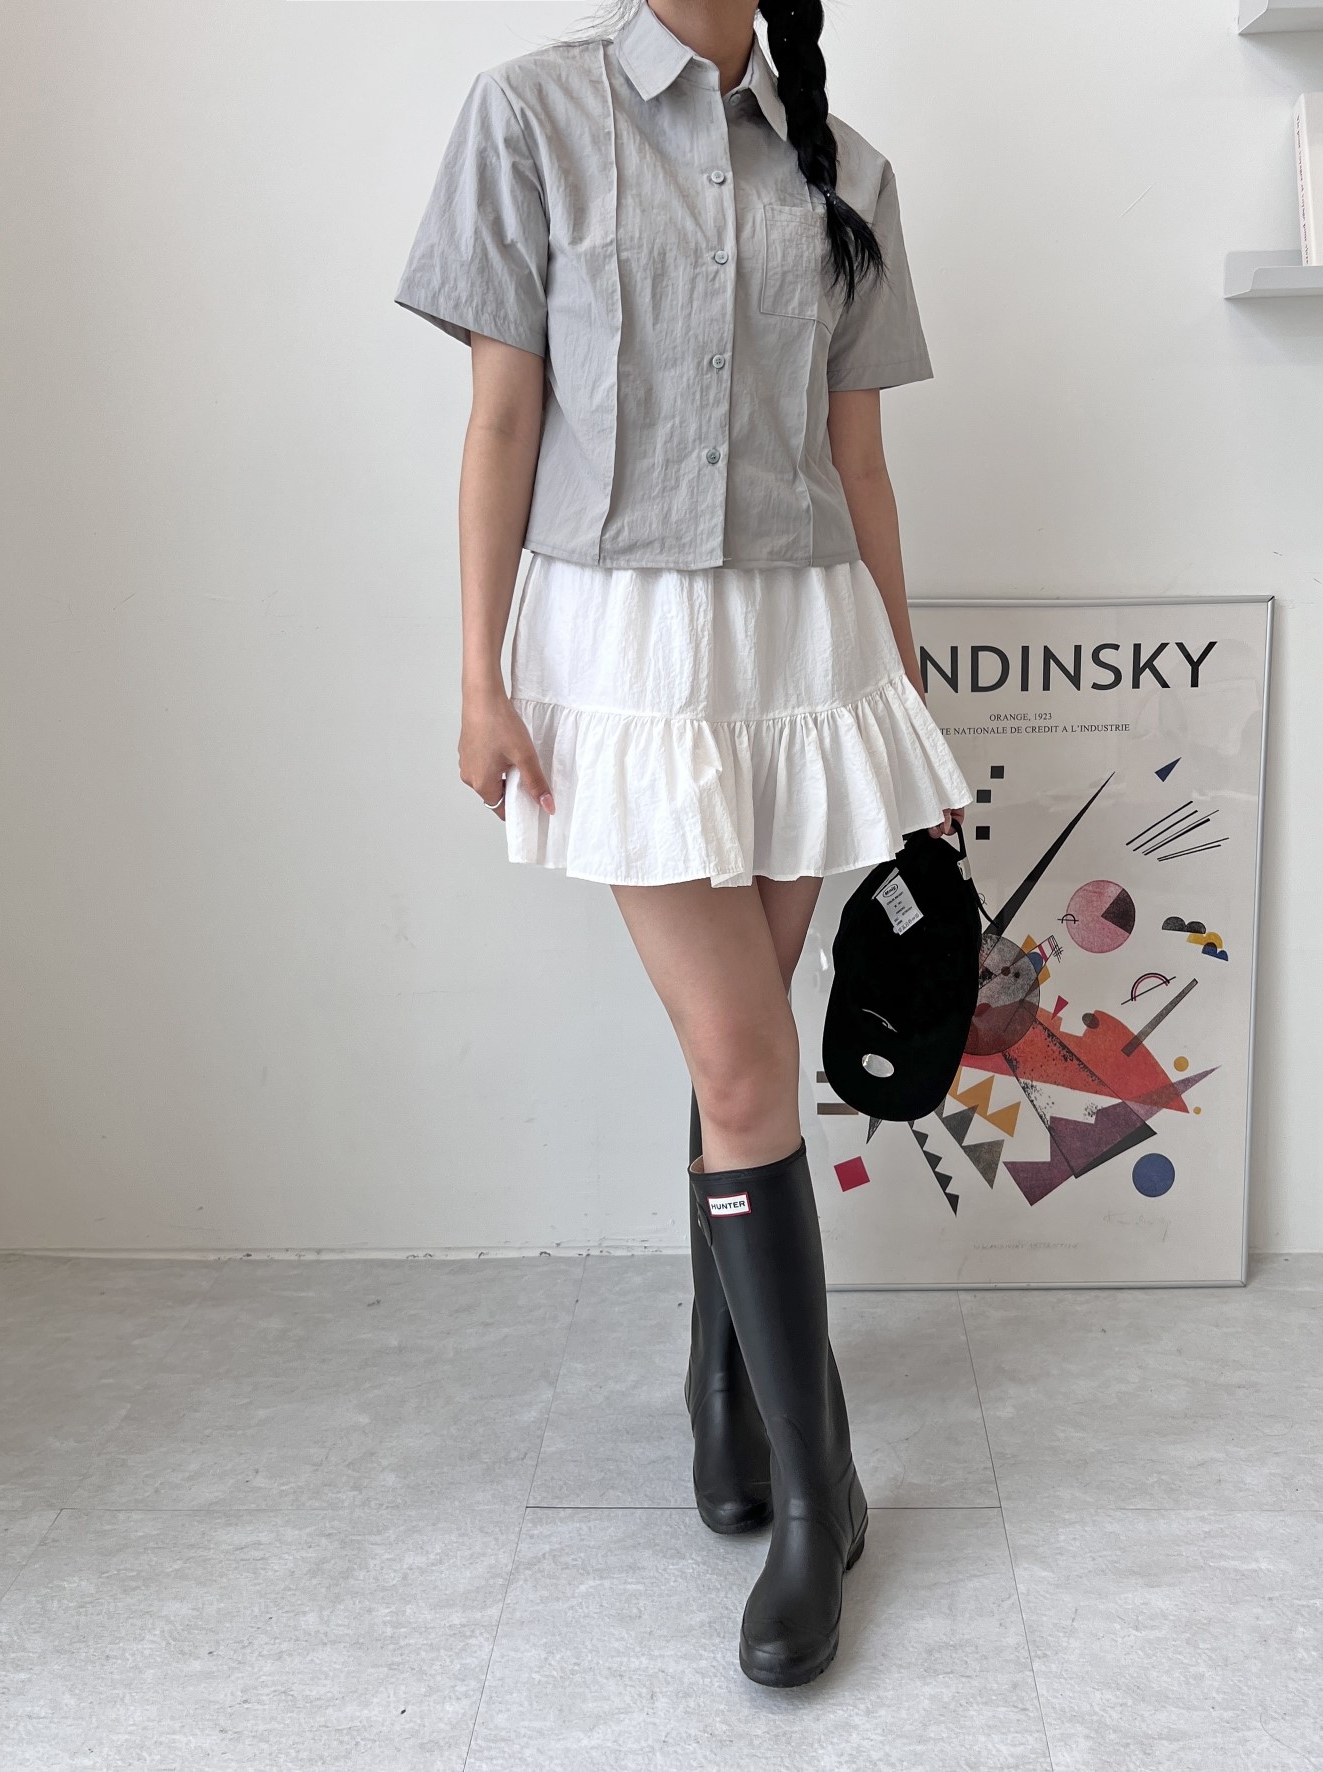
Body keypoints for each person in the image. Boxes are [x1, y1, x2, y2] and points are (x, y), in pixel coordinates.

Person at [394, 0, 972, 1688]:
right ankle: (816, 1489)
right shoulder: (529, 115)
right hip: (624, 654)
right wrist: (480, 677)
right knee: (739, 1057)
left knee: (744, 1059)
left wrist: (901, 694)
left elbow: (858, 457)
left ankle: (724, 1390)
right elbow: (504, 421)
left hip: (806, 644)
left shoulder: (843, 162)